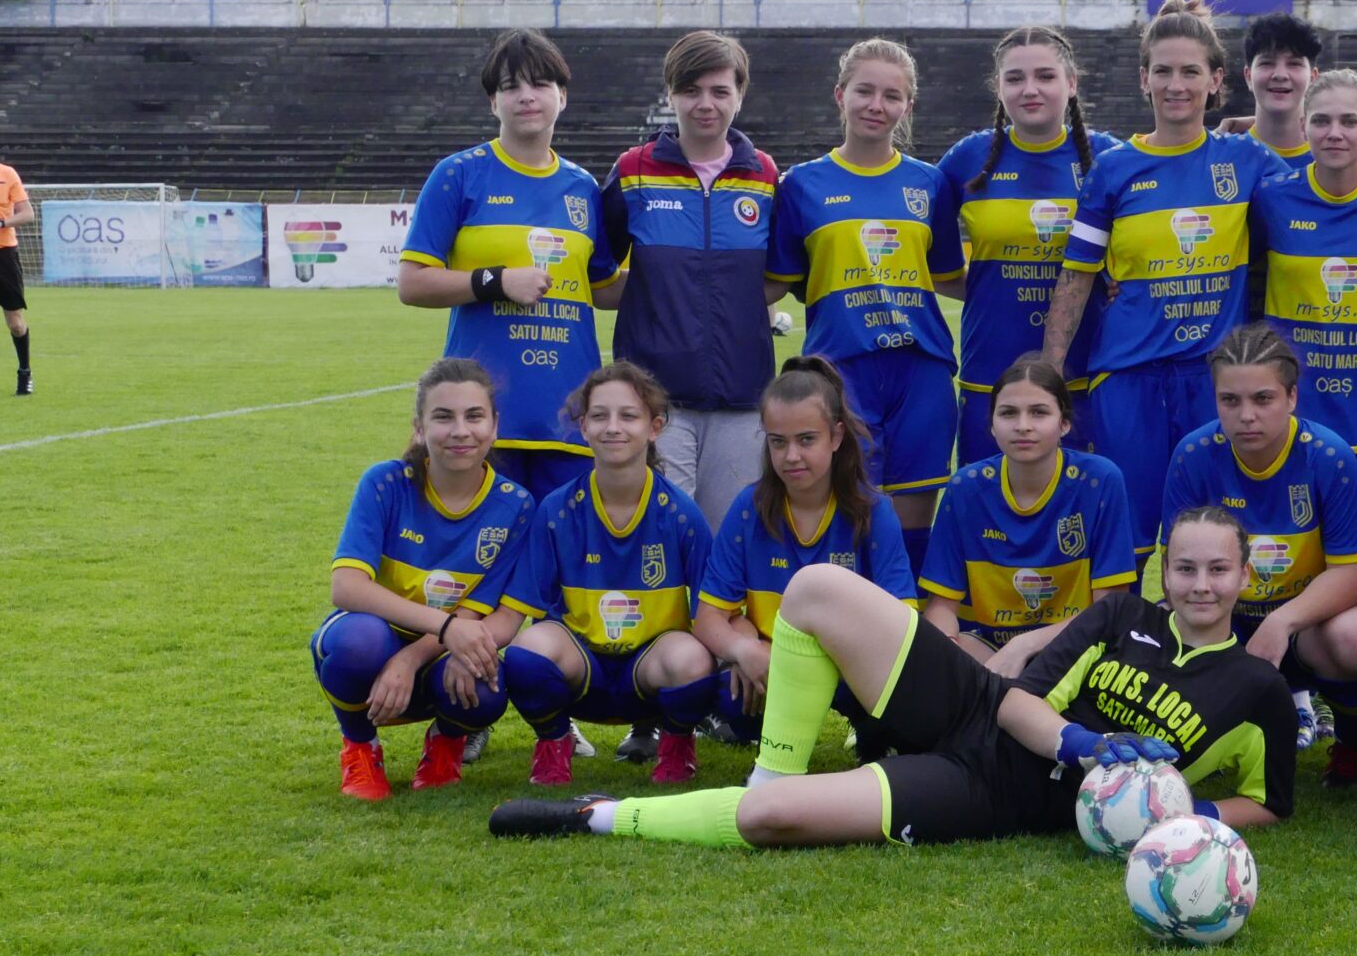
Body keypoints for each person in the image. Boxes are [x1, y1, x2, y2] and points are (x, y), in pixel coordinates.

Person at [488, 506, 1300, 847]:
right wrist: (1086, 740)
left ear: (1244, 575)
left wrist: (1182, 808)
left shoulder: (1256, 686)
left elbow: (1266, 801)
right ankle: (778, 763)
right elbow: (1016, 698)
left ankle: (594, 816)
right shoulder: (1123, 614)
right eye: (1186, 567)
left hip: (1000, 792)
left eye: (1218, 570)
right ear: (1165, 569)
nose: (1200, 585)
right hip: (984, 706)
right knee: (813, 589)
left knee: (768, 819)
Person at [1041, 0, 1289, 564]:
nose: (1176, 84)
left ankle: (1216, 651)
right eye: (1163, 71)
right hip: (1127, 377)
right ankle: (1118, 642)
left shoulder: (1246, 159)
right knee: (1128, 540)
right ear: (1144, 80)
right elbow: (1076, 278)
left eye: (1190, 71)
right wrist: (1051, 372)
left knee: (1217, 531)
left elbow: (1323, 184)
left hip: (1212, 379)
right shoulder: (1114, 169)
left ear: (1217, 80)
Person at [396, 29, 618, 502]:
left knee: (563, 565)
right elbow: (412, 284)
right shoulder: (459, 174)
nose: (526, 96)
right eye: (510, 86)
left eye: (539, 84)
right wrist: (496, 282)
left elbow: (601, 288)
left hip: (567, 415)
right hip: (480, 418)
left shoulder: (583, 188)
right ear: (492, 102)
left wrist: (688, 279)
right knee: (486, 561)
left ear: (562, 96)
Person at [771, 38, 962, 581]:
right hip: (840, 372)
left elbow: (950, 276)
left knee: (911, 517)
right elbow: (779, 281)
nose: (877, 105)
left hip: (921, 370)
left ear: (908, 107)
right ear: (840, 95)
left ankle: (906, 639)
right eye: (865, 91)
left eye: (892, 95)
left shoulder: (930, 184)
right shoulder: (802, 184)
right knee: (847, 511)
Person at [1162, 323, 1357, 781]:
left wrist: (1282, 621)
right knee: (1153, 636)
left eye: (1262, 399)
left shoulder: (1328, 456)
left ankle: (1354, 742)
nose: (1247, 415)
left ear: (1291, 398)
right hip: (1225, 615)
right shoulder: (1193, 455)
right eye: (1231, 400)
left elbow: (1354, 571)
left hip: (1307, 623)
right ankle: (1203, 740)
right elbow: (1180, 569)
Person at [490, 362, 719, 786]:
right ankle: (554, 746)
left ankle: (676, 744)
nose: (613, 427)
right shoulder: (556, 510)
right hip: (583, 668)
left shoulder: (681, 514)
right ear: (583, 427)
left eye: (628, 416)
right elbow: (525, 606)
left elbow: (710, 610)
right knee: (526, 653)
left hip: (650, 673)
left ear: (654, 428)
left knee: (694, 658)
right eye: (600, 415)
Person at [312, 359, 533, 799]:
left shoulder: (516, 505)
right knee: (358, 643)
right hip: (377, 639)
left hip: (440, 652)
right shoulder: (385, 483)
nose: (460, 431)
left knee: (486, 684)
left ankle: (445, 744)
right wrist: (445, 628)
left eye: (474, 416)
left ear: (494, 425)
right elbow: (347, 588)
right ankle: (359, 747)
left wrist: (412, 658)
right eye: (443, 417)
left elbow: (479, 616)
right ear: (419, 427)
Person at [596, 30, 781, 531]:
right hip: (655, 401)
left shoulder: (763, 175)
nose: (706, 104)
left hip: (743, 397)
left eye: (720, 91)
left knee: (729, 540)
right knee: (662, 534)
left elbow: (780, 274)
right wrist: (655, 298)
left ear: (739, 95)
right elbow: (598, 270)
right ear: (671, 94)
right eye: (691, 91)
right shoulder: (634, 171)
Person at [692, 357, 917, 752]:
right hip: (777, 664)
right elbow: (708, 618)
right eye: (778, 441)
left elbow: (903, 617)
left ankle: (874, 737)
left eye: (806, 439)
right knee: (726, 696)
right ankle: (768, 736)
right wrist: (744, 648)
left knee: (893, 697)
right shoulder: (749, 508)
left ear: (836, 436)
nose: (791, 456)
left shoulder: (872, 510)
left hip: (851, 664)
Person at [936, 26, 1122, 465]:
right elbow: (936, 264)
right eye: (1015, 79)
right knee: (990, 511)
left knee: (1080, 515)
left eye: (1046, 76)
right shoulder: (967, 160)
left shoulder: (1110, 158)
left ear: (1071, 83)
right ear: (998, 88)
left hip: (1088, 376)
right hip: (990, 374)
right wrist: (992, 289)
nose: (1030, 89)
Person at [1247, 67, 1357, 532]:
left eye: (1348, 122)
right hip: (1293, 418)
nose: (1334, 133)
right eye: (1320, 121)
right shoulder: (1271, 198)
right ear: (1302, 126)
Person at [919, 357, 1137, 674]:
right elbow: (941, 608)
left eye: (1039, 412)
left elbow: (1108, 611)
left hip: (1076, 649)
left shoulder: (1100, 481)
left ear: (1065, 422)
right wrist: (950, 659)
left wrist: (1024, 646)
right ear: (992, 424)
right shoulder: (966, 489)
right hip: (986, 650)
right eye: (1008, 413)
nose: (1023, 425)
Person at [1230, 11, 1323, 160]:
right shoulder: (1223, 155)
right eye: (1266, 63)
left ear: (1313, 78)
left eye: (1294, 64)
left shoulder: (1334, 159)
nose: (1280, 75)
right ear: (1248, 76)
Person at [0, 156, 31, 394]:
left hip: (4, 256)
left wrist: (3, 223)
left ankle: (25, 372)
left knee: (15, 324)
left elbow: (27, 214)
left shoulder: (7, 174)